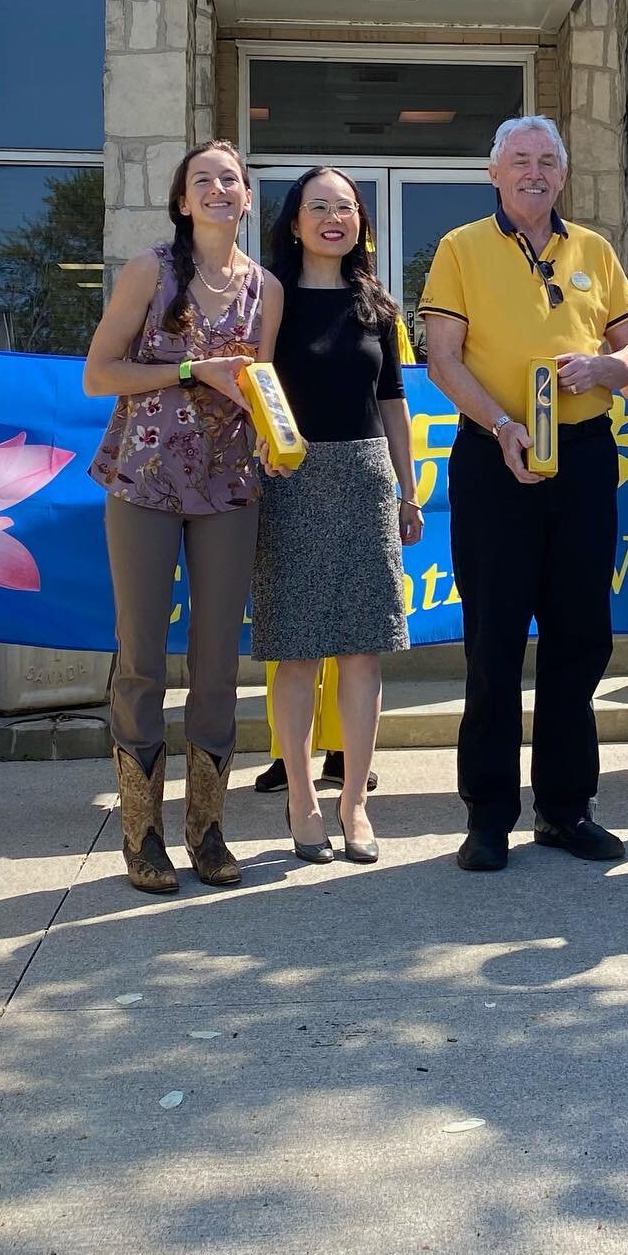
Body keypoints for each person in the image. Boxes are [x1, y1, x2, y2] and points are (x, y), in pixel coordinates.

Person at [420, 116, 628, 873]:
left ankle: (565, 808)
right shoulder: (460, 248)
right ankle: (489, 814)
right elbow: (442, 358)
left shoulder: (594, 249)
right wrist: (502, 424)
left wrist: (609, 368)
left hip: (583, 456)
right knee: (494, 641)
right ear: (494, 173)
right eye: (519, 160)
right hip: (496, 455)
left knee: (581, 638)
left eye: (548, 161)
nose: (535, 172)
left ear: (563, 174)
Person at [85, 141, 282, 894]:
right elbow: (99, 373)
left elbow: (261, 386)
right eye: (203, 179)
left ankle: (207, 830)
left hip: (230, 486)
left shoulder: (265, 288)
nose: (218, 188)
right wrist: (194, 370)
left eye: (231, 178)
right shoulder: (151, 270)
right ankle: (142, 836)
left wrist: (280, 433)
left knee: (217, 661)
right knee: (140, 656)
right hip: (144, 482)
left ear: (245, 197)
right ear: (182, 200)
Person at [251, 167, 422, 866]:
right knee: (296, 652)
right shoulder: (271, 298)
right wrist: (264, 445)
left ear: (360, 223)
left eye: (345, 207)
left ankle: (354, 802)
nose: (333, 218)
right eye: (317, 207)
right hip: (290, 478)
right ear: (294, 223)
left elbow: (393, 404)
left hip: (364, 479)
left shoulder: (376, 304)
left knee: (362, 649)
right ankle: (302, 799)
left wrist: (408, 491)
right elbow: (254, 379)